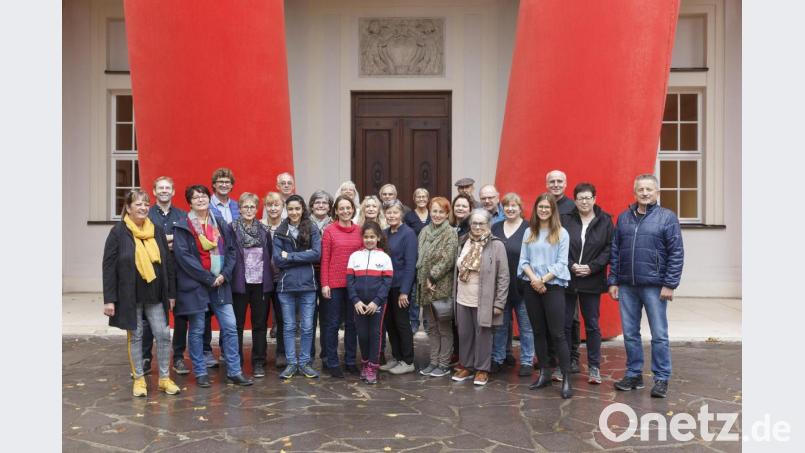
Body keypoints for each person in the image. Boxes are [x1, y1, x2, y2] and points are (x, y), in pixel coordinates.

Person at [608, 174, 684, 398]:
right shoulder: (623, 218)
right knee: (630, 333)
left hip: (655, 286)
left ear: (657, 192)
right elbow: (615, 251)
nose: (644, 193)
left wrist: (670, 284)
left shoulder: (667, 218)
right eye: (640, 189)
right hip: (627, 286)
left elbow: (676, 253)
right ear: (635, 192)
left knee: (659, 334)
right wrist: (613, 280)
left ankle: (661, 378)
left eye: (649, 189)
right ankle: (634, 374)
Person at [172, 185, 253, 387]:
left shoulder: (221, 223)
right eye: (195, 197)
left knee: (231, 328)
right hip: (196, 286)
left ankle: (234, 371)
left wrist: (224, 275)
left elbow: (233, 251)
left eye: (203, 196)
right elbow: (184, 258)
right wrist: (208, 278)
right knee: (198, 330)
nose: (200, 200)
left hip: (221, 285)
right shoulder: (183, 225)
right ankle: (200, 372)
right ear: (189, 202)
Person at [102, 189, 180, 397]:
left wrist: (171, 294)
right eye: (138, 204)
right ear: (128, 208)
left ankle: (164, 378)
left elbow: (168, 264)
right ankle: (139, 380)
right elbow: (108, 267)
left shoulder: (156, 231)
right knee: (136, 336)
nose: (144, 207)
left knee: (163, 335)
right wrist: (109, 299)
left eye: (146, 204)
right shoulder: (118, 232)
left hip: (155, 293)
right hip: (129, 295)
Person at [518, 193, 572, 399]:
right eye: (540, 207)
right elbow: (523, 261)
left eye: (547, 207)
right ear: (536, 209)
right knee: (538, 331)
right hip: (532, 286)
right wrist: (534, 280)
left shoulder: (562, 233)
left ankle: (566, 377)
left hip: (553, 287)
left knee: (557, 333)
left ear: (552, 210)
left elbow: (561, 263)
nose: (543, 210)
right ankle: (544, 373)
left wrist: (543, 280)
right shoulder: (528, 232)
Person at [143, 176, 196, 376]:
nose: (164, 191)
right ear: (154, 192)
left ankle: (179, 357)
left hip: (178, 270)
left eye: (168, 188)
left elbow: (184, 241)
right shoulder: (146, 215)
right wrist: (169, 241)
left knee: (181, 315)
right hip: (153, 271)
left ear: (173, 192)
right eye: (160, 188)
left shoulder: (183, 215)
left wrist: (159, 240)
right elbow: (143, 241)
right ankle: (146, 357)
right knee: (149, 314)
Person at [561, 183, 613, 385]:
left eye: (588, 197)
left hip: (592, 279)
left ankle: (594, 367)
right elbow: (559, 246)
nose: (584, 201)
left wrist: (592, 267)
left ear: (595, 199)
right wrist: (570, 265)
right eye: (580, 198)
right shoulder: (566, 220)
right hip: (568, 278)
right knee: (564, 324)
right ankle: (563, 365)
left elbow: (609, 248)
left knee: (592, 325)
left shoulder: (605, 221)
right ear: (575, 200)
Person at [450, 209, 509, 386]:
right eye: (474, 223)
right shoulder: (464, 241)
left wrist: (499, 303)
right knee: (465, 334)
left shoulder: (496, 245)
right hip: (462, 297)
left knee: (483, 335)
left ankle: (482, 369)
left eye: (481, 223)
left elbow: (504, 276)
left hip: (484, 300)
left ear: (488, 225)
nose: (477, 226)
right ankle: (467, 366)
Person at [272, 194, 322, 380]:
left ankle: (305, 363)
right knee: (289, 326)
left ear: (303, 209)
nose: (294, 212)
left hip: (308, 285)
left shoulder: (312, 228)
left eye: (297, 209)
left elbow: (316, 255)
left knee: (308, 327)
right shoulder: (280, 231)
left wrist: (290, 256)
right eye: (291, 209)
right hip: (286, 286)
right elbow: (277, 259)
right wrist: (302, 255)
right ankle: (292, 363)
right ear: (287, 210)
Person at [490, 193, 535, 376]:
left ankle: (526, 361)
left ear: (520, 208)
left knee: (526, 327)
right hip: (500, 287)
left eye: (513, 206)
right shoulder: (496, 227)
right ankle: (498, 358)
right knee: (500, 326)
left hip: (523, 286)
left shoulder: (529, 228)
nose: (510, 209)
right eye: (506, 205)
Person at [231, 193, 274, 378]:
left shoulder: (264, 230)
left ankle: (258, 362)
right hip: (240, 283)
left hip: (260, 284)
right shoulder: (231, 228)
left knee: (259, 324)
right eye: (245, 207)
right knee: (237, 325)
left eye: (252, 207)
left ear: (257, 210)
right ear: (239, 209)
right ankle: (237, 362)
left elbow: (269, 254)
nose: (249, 210)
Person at [320, 195, 363, 378]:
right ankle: (332, 362)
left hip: (354, 285)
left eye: (349, 208)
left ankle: (351, 361)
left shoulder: (359, 231)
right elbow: (325, 259)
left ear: (353, 209)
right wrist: (325, 283)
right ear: (336, 211)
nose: (346, 211)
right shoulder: (329, 231)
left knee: (353, 324)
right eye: (342, 208)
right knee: (332, 325)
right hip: (334, 285)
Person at [347, 221, 394, 384]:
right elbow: (350, 281)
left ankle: (373, 367)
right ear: (362, 238)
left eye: (372, 237)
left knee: (375, 334)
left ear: (378, 238)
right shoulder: (354, 257)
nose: (369, 240)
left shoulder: (385, 258)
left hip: (377, 304)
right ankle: (365, 363)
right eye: (366, 237)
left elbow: (387, 282)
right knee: (363, 334)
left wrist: (376, 301)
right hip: (359, 304)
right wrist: (356, 301)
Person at [416, 197, 458, 378]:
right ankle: (433, 361)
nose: (437, 215)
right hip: (424, 286)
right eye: (434, 211)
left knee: (443, 327)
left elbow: (448, 259)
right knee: (431, 327)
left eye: (441, 211)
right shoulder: (424, 231)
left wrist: (433, 277)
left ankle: (443, 363)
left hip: (441, 286)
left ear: (447, 214)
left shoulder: (450, 233)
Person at [546, 169, 580, 373]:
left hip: (568, 269)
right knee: (550, 315)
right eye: (552, 181)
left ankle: (573, 356)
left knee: (571, 317)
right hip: (547, 271)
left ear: (565, 184)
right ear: (547, 184)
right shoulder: (544, 204)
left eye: (559, 181)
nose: (556, 184)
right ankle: (551, 355)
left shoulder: (572, 207)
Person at [381, 200, 418, 375]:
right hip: (386, 286)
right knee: (389, 323)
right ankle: (396, 357)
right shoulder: (384, 233)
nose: (392, 216)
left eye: (395, 212)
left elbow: (410, 264)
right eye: (388, 213)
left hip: (400, 287)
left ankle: (408, 360)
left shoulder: (408, 234)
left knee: (402, 323)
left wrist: (405, 291)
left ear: (401, 214)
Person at [261, 192, 287, 368]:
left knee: (282, 318)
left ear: (282, 207)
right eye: (269, 205)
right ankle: (260, 354)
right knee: (261, 318)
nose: (273, 208)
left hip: (282, 278)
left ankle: (281, 353)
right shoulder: (259, 226)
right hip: (261, 279)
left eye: (276, 205)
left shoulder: (287, 227)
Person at [308, 190, 333, 362]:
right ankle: (308, 354)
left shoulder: (335, 224)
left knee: (327, 316)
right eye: (317, 202)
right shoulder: (304, 223)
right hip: (308, 272)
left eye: (324, 203)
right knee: (309, 316)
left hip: (328, 273)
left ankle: (326, 354)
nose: (321, 205)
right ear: (311, 206)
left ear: (330, 207)